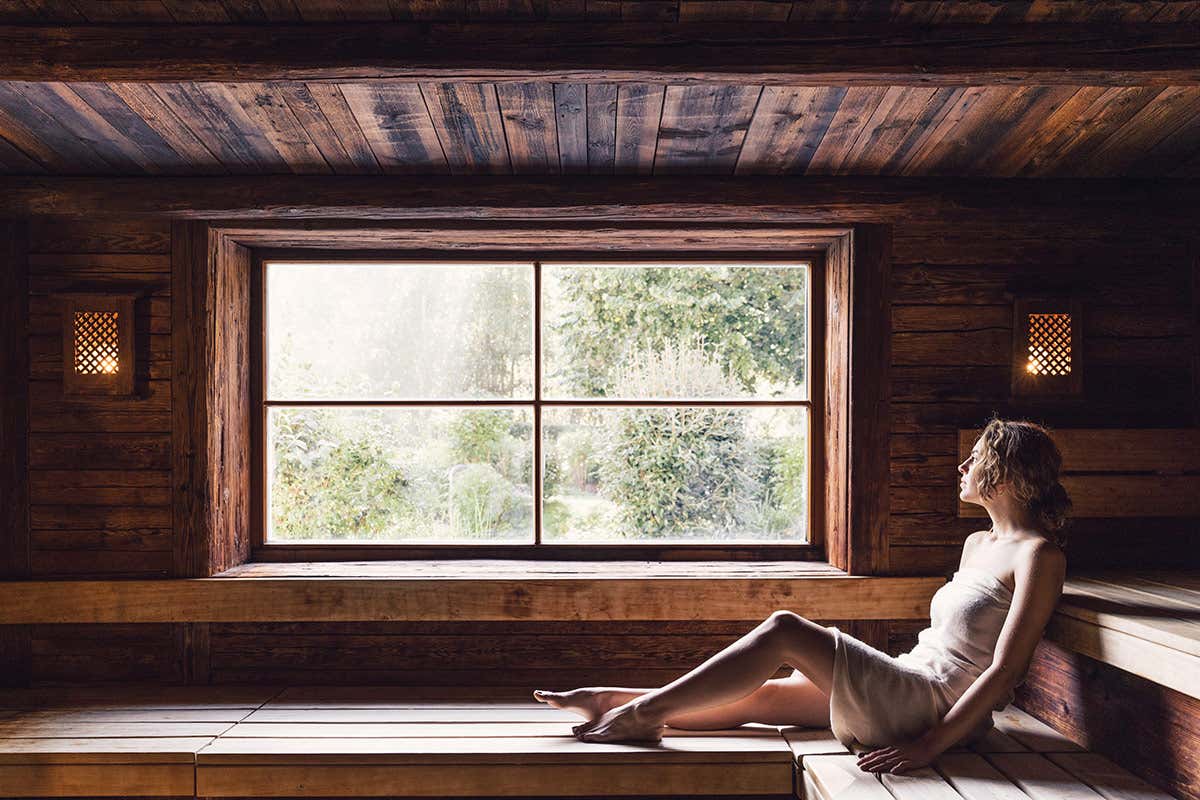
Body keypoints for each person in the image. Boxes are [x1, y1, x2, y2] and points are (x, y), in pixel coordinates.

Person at [532, 417, 1069, 776]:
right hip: (912, 677)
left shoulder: (1039, 556)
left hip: (933, 708)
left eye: (974, 458)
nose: (962, 467)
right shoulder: (978, 543)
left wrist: (927, 747)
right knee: (767, 697)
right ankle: (614, 702)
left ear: (1004, 473)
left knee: (785, 630)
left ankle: (644, 712)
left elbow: (1005, 671)